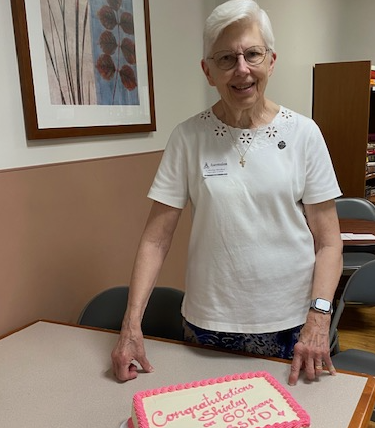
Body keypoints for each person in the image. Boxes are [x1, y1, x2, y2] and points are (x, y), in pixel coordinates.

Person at [111, 0, 343, 386]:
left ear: (271, 60)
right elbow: (155, 240)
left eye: (252, 54)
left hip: (294, 327)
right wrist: (130, 325)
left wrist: (319, 317)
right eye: (226, 58)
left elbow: (329, 242)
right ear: (207, 71)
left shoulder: (304, 134)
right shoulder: (187, 138)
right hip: (207, 324)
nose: (242, 70)